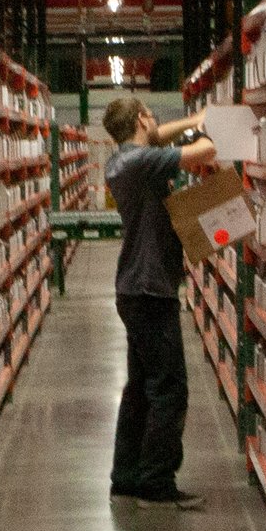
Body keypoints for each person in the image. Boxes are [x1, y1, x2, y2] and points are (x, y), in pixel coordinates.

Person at [103, 95, 214, 508]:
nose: (155, 122)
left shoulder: (124, 160)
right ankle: (157, 482)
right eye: (151, 116)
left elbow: (158, 135)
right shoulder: (142, 162)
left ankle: (126, 476)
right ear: (140, 119)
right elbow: (205, 151)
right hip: (150, 290)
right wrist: (210, 127)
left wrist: (194, 118)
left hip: (136, 288)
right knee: (169, 389)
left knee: (140, 389)